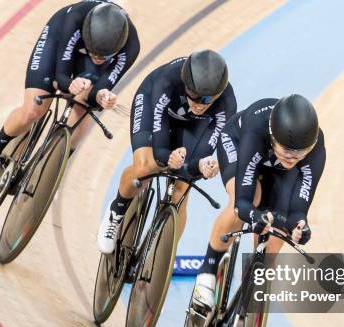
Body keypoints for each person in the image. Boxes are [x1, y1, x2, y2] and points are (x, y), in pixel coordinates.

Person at [0, 1, 140, 189]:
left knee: (85, 105)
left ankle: (54, 162)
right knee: (33, 111)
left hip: (88, 62)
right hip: (58, 40)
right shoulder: (74, 19)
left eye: (104, 57)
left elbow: (100, 89)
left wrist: (102, 96)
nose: (98, 58)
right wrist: (70, 83)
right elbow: (60, 78)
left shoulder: (131, 47)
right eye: (94, 52)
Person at [192, 94, 326, 309]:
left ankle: (245, 311)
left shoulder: (314, 149)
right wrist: (254, 214)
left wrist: (300, 227)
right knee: (247, 199)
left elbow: (298, 210)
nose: (293, 157)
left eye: (301, 152)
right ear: (273, 139)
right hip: (239, 144)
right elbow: (243, 203)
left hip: (278, 169)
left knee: (277, 234)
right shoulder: (257, 130)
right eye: (287, 150)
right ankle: (207, 273)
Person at [97, 50, 237, 254]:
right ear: (187, 85)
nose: (200, 104)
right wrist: (167, 157)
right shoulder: (168, 80)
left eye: (208, 99)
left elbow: (203, 153)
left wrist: (201, 166)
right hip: (154, 108)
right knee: (147, 167)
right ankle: (116, 210)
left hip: (191, 126)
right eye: (195, 97)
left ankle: (162, 254)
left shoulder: (227, 104)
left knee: (182, 186)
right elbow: (160, 150)